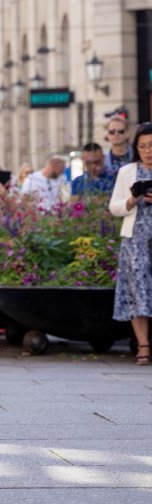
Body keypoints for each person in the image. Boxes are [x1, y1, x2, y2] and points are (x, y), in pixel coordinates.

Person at [110, 122, 152, 365]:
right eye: (144, 146)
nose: (148, 151)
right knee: (138, 289)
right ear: (137, 147)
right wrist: (132, 200)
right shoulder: (128, 171)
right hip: (135, 239)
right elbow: (114, 207)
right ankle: (143, 345)